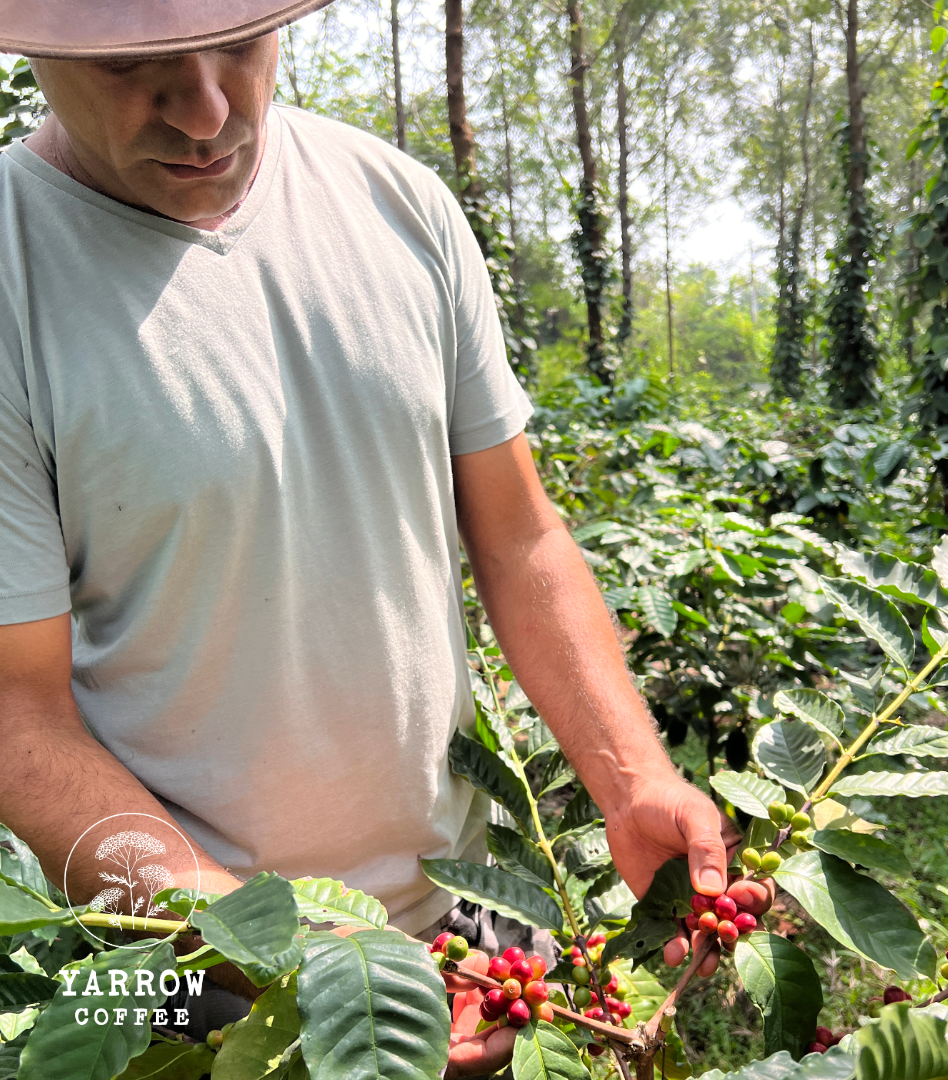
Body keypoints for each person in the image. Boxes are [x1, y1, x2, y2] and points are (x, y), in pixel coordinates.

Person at [0, 1, 738, 1072]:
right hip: (204, 972)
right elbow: (19, 715)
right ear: (37, 45)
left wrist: (634, 778)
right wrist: (280, 952)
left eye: (240, 45)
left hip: (471, 920)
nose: (206, 112)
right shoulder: (13, 274)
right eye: (138, 66)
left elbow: (521, 537)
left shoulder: (399, 204)